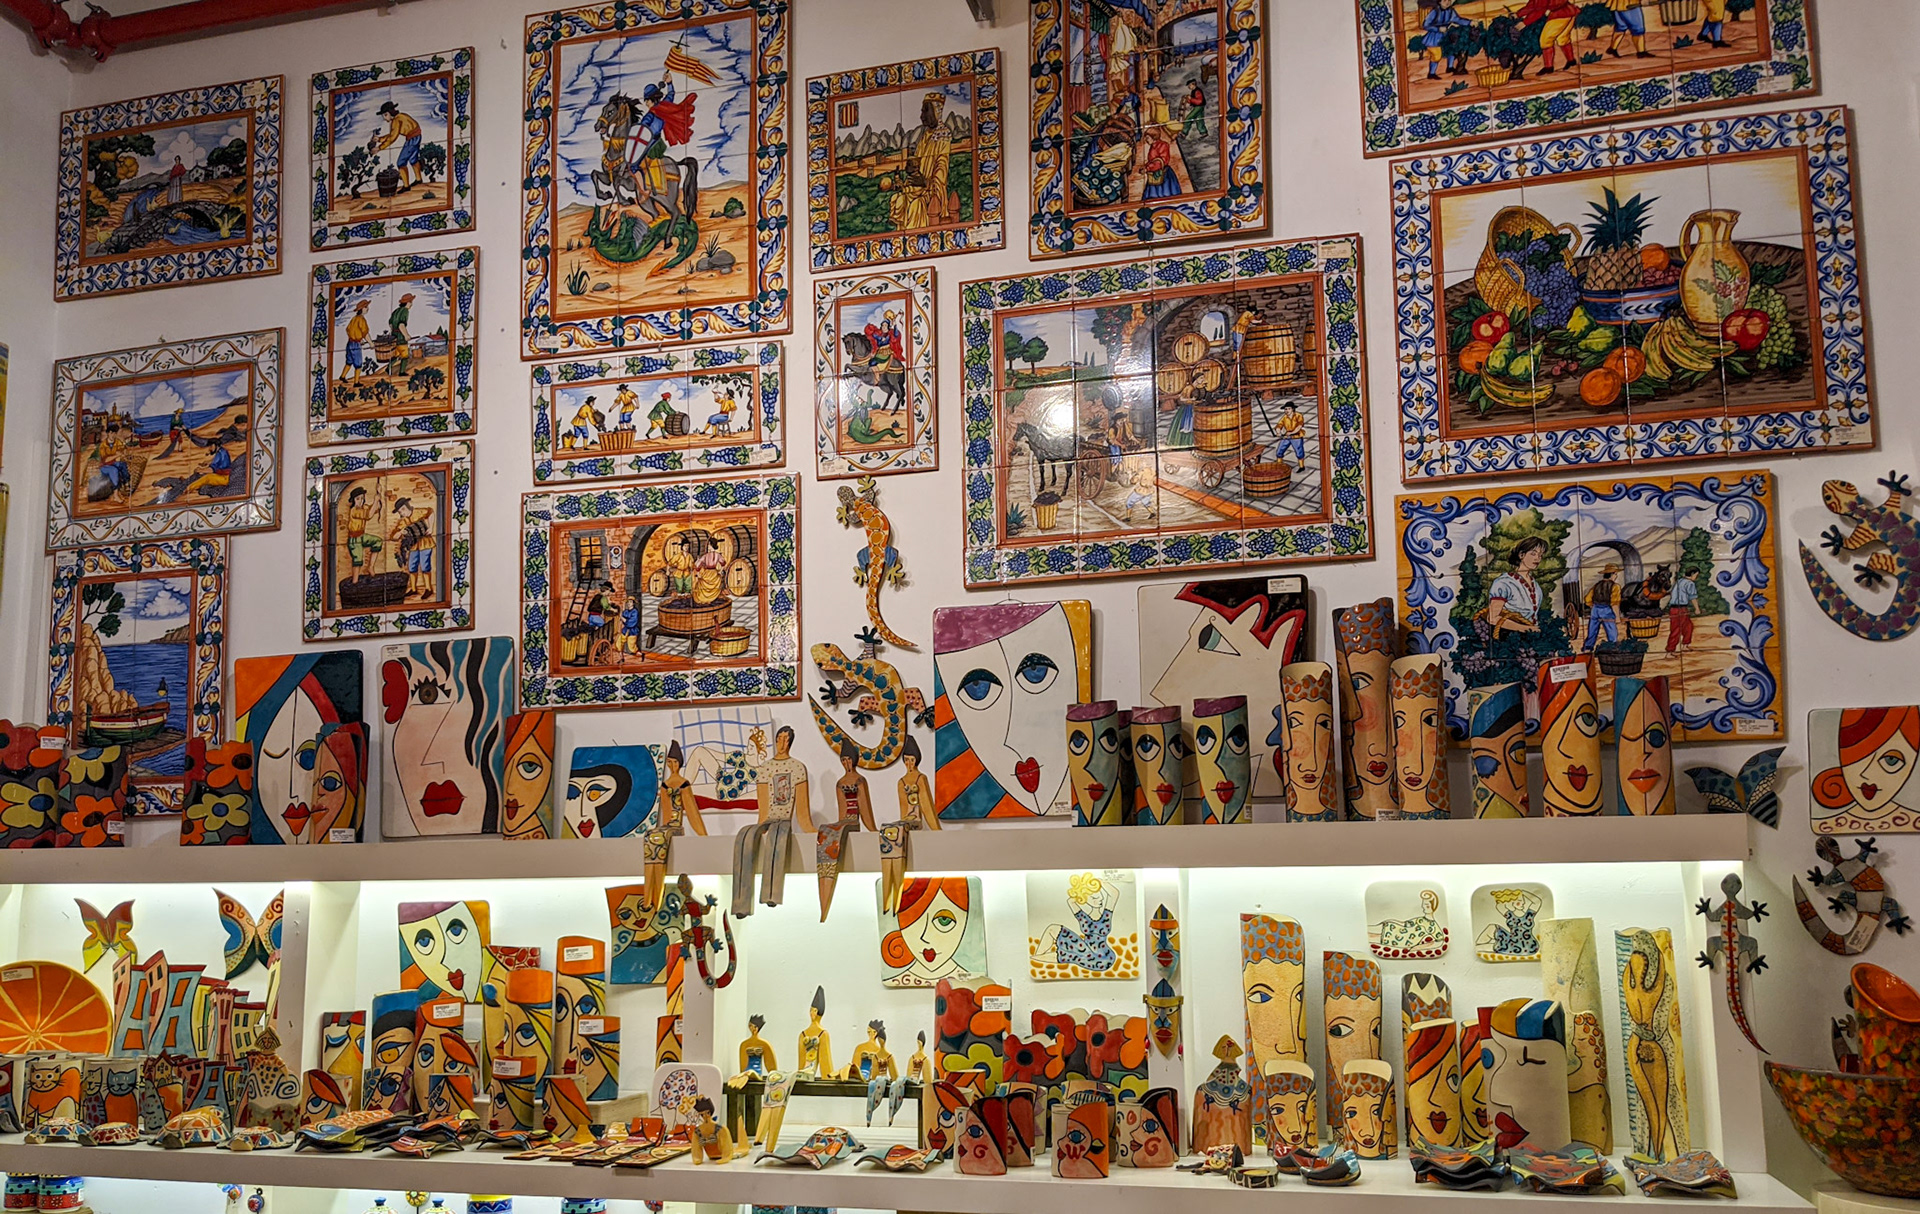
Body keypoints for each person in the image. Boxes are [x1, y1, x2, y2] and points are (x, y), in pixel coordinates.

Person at [630, 71, 699, 199]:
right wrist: (670, 83)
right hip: (655, 141)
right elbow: (671, 95)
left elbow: (642, 129)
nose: (646, 104)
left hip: (651, 143)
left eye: (647, 101)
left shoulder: (652, 113)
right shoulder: (664, 106)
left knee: (633, 164)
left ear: (652, 99)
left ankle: (644, 191)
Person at [1486, 536, 1547, 638]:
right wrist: (1527, 629)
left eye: (1540, 555)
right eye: (1533, 554)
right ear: (1521, 555)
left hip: (1532, 636)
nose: (1538, 558)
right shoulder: (1504, 583)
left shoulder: (1536, 585)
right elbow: (1492, 618)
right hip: (1510, 637)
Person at [388, 495, 436, 602]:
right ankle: (414, 589)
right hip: (413, 546)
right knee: (412, 566)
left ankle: (428, 588)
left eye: (401, 511)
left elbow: (431, 512)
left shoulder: (418, 512)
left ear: (406, 507)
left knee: (425, 565)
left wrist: (431, 528)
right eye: (400, 512)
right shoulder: (403, 521)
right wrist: (401, 532)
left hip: (425, 543)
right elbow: (393, 537)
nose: (401, 514)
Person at [370, 99, 423, 190]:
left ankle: (406, 186)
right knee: (413, 159)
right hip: (416, 136)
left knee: (401, 162)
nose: (384, 118)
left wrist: (379, 148)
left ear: (388, 113)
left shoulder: (396, 121)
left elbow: (392, 138)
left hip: (412, 139)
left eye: (384, 115)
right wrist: (379, 139)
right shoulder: (400, 116)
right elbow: (392, 134)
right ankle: (419, 179)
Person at [1517, 0, 1579, 76]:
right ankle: (1571, 61)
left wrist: (1524, 23)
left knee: (1545, 40)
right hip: (1570, 11)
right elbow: (1533, 5)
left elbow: (1540, 10)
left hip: (1559, 15)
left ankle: (1548, 67)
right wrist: (1519, 14)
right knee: (1562, 38)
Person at [1421, 0, 1470, 78]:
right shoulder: (1435, 12)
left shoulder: (1451, 11)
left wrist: (1469, 22)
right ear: (1439, 2)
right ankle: (1431, 73)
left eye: (1449, 0)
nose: (1447, 2)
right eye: (1444, 0)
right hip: (1434, 38)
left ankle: (1450, 67)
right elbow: (1425, 25)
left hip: (1446, 36)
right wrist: (1438, 29)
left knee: (1451, 50)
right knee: (1436, 55)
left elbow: (1458, 20)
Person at [342, 485, 381, 583]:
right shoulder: (354, 511)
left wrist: (378, 494)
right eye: (358, 499)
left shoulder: (364, 507)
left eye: (362, 498)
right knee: (358, 560)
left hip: (362, 536)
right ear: (353, 500)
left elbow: (375, 509)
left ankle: (370, 567)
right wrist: (376, 501)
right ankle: (355, 581)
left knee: (377, 541)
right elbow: (368, 515)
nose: (360, 501)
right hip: (354, 539)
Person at [1583, 563, 1621, 650]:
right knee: (1611, 631)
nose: (1616, 576)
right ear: (1612, 574)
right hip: (1607, 610)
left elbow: (1587, 599)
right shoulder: (1615, 586)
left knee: (1592, 631)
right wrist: (1617, 617)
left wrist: (1593, 606)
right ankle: (1612, 647)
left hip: (1595, 610)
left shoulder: (1596, 585)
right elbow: (1614, 603)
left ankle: (1588, 647)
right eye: (1615, 574)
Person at [1140, 124, 1182, 200]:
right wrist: (1146, 166)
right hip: (1154, 173)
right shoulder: (1153, 146)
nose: (1146, 140)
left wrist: (1148, 168)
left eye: (1148, 137)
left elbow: (1161, 161)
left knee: (1166, 193)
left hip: (1163, 173)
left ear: (1154, 137)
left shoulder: (1163, 145)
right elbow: (1152, 160)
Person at [1665, 565, 1700, 653]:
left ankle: (1685, 645)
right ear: (1692, 574)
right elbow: (1693, 597)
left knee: (1688, 626)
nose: (1696, 577)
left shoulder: (1679, 581)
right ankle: (1670, 650)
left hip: (1675, 609)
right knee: (1676, 630)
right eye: (1696, 575)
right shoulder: (1690, 583)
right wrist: (1697, 609)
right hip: (1680, 609)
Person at [385, 292, 415, 376]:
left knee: (397, 354)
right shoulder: (405, 311)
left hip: (394, 336)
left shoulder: (396, 311)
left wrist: (393, 332)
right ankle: (402, 372)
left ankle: (388, 367)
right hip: (401, 337)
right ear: (408, 302)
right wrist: (406, 335)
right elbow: (401, 325)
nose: (411, 304)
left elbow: (390, 324)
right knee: (405, 355)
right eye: (411, 302)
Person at [343, 299, 372, 383]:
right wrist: (371, 343)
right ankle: (356, 382)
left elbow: (348, 329)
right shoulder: (362, 320)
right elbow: (365, 333)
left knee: (349, 361)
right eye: (365, 307)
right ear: (361, 309)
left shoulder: (354, 319)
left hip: (350, 343)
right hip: (355, 345)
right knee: (358, 363)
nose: (367, 308)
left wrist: (358, 338)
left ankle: (342, 376)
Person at [1273, 398, 1308, 467]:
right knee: (1279, 451)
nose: (1287, 411)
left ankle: (1301, 466)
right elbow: (1279, 425)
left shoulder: (1298, 415)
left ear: (1293, 409)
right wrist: (1278, 431)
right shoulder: (1284, 418)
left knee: (1299, 453)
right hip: (1287, 436)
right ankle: (1279, 466)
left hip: (1297, 436)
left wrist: (1292, 432)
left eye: (1289, 409)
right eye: (1285, 409)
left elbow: (1299, 426)